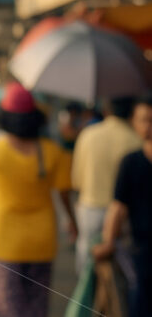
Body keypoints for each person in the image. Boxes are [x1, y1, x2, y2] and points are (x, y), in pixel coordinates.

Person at [0, 83, 77, 317]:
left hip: (4, 240)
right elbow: (64, 193)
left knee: (7, 307)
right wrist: (73, 222)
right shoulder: (53, 151)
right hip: (42, 240)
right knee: (36, 307)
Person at [93, 93, 152, 317]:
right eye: (144, 120)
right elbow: (118, 207)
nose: (148, 126)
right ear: (134, 123)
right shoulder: (131, 162)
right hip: (141, 248)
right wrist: (108, 242)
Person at [72, 96, 141, 274]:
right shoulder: (135, 139)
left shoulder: (88, 134)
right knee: (126, 269)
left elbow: (77, 180)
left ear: (107, 110)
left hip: (91, 208)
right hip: (124, 214)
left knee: (88, 267)